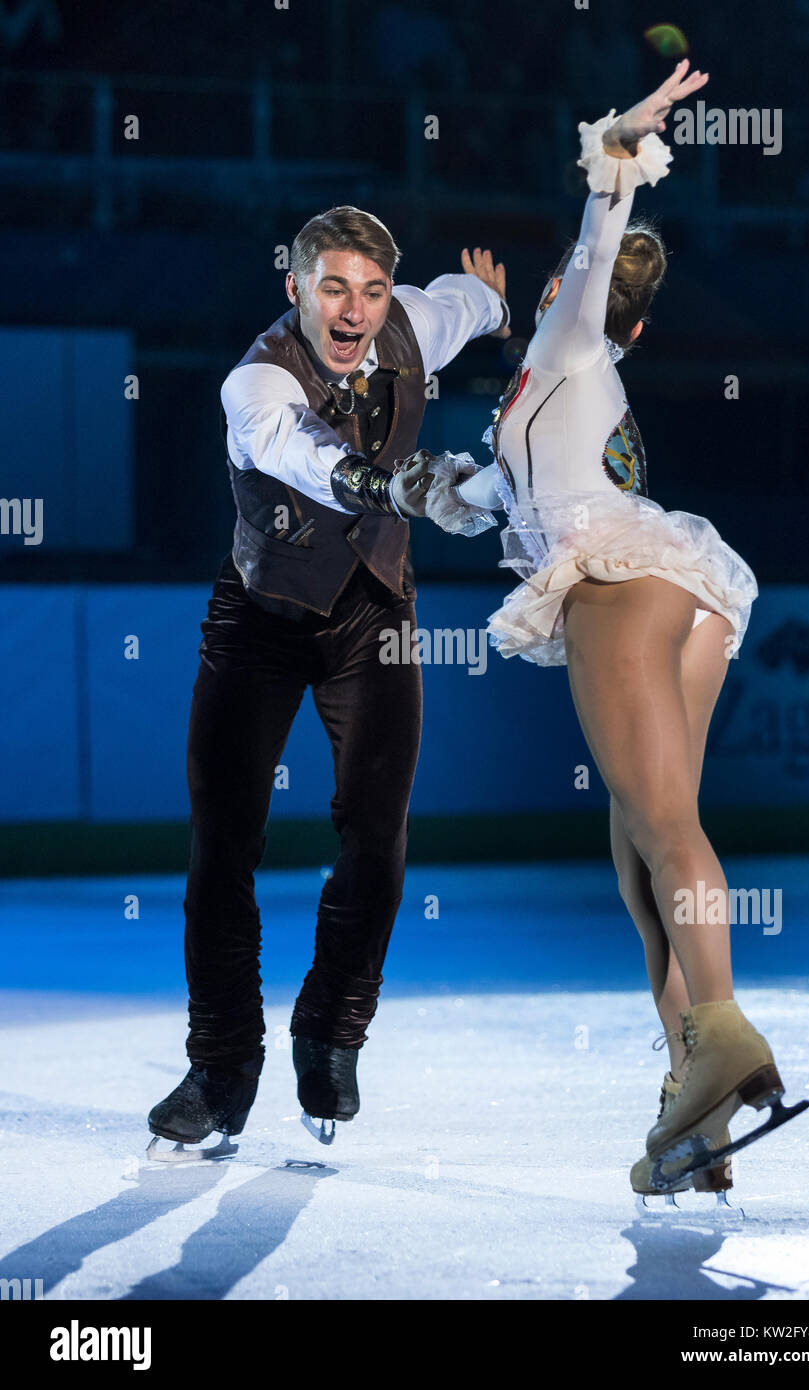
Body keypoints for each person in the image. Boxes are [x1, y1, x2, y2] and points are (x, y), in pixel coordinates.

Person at [412, 62, 808, 1198]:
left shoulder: (571, 349)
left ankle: (720, 1032)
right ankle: (690, 1112)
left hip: (621, 583)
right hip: (677, 586)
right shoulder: (541, 404)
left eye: (559, 288)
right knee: (640, 856)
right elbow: (478, 492)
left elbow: (596, 243)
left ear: (584, 306)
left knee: (658, 828)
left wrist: (618, 155)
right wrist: (421, 480)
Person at [147, 205, 509, 1155]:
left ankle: (331, 1036)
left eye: (372, 289)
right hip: (260, 615)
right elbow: (302, 453)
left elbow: (464, 305)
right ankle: (222, 1067)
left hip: (374, 613)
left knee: (377, 835)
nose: (354, 311)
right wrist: (394, 486)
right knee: (222, 843)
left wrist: (496, 305)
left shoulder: (412, 327)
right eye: (334, 288)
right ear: (295, 287)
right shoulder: (257, 380)